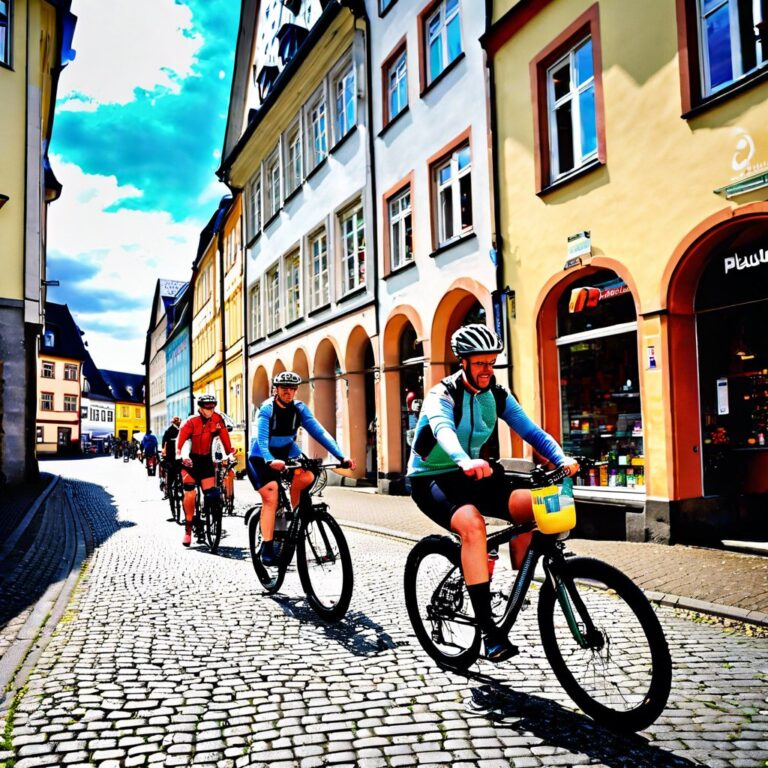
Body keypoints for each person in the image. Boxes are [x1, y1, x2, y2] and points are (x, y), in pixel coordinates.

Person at [407, 324, 579, 662]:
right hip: (432, 478)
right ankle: (488, 629)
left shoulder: (497, 395)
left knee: (535, 504)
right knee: (472, 526)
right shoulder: (442, 394)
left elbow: (532, 431)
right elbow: (443, 430)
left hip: (475, 472)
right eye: (481, 363)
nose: (488, 370)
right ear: (464, 362)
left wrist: (561, 457)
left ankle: (519, 577)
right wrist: (462, 460)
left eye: (492, 362)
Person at [247, 371, 355, 565]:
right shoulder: (267, 409)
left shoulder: (299, 409)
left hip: (286, 452)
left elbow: (320, 432)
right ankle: (267, 545)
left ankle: (296, 517)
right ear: (276, 389)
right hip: (260, 457)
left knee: (306, 476)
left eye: (292, 389)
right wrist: (270, 460)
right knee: (271, 494)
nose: (288, 392)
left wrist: (341, 456)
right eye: (284, 388)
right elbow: (262, 440)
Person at [177, 395, 235, 547]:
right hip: (189, 461)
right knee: (190, 492)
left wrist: (229, 453)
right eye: (207, 407)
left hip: (205, 461)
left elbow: (224, 437)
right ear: (200, 407)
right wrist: (180, 455)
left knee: (210, 493)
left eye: (212, 407)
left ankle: (207, 513)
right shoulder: (190, 421)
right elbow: (180, 441)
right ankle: (188, 529)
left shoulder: (217, 419)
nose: (210, 410)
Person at [160, 416, 182, 498]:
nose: (179, 422)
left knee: (175, 472)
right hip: (172, 455)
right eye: (178, 421)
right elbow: (164, 442)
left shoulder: (180, 430)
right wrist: (164, 451)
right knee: (172, 473)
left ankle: (174, 489)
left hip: (176, 455)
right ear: (175, 422)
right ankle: (169, 491)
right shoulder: (170, 431)